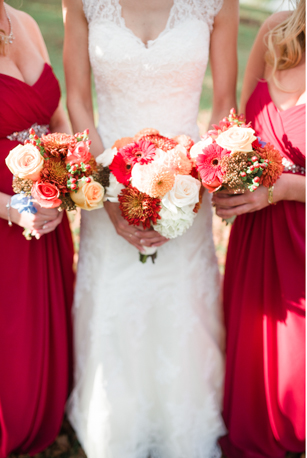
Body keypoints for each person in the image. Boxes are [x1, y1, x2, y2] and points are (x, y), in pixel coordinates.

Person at [61, 0, 238, 456]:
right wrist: (105, 194)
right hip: (105, 178)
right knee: (115, 303)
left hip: (187, 183)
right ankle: (115, 430)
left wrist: (195, 184)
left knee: (179, 301)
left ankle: (185, 429)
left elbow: (223, 104)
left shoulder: (216, 3)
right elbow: (77, 100)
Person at [213, 1, 306, 456]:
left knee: (296, 372)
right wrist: (215, 172)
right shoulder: (275, 31)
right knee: (254, 356)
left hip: (301, 235)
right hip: (255, 232)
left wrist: (284, 188)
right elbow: (230, 121)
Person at [0, 3, 75, 455]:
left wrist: (64, 180)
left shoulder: (24, 22)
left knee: (37, 334)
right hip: (8, 217)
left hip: (46, 211)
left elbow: (57, 117)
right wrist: (13, 210)